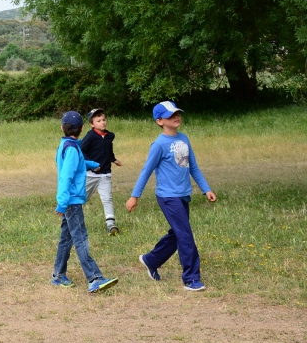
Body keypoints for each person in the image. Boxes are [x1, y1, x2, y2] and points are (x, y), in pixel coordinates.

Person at [126, 101, 217, 292]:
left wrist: (206, 189)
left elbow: (193, 166)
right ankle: (191, 278)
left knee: (177, 234)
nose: (176, 117)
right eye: (170, 116)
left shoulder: (184, 139)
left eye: (177, 113)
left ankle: (151, 260)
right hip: (168, 197)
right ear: (159, 121)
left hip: (183, 195)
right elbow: (146, 171)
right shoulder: (158, 145)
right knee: (185, 236)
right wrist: (135, 196)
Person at [51, 111, 118, 293]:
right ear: (82, 128)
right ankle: (94, 278)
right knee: (80, 239)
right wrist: (62, 203)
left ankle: (58, 275)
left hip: (70, 201)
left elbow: (73, 163)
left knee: (66, 239)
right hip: (71, 202)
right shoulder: (72, 149)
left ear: (62, 128)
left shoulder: (67, 144)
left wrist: (89, 164)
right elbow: (66, 176)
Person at [80, 108, 123, 235]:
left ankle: (111, 224)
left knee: (107, 198)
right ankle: (71, 218)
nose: (102, 122)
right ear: (92, 124)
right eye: (98, 121)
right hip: (91, 175)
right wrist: (91, 164)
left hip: (105, 174)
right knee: (82, 197)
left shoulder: (110, 136)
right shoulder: (90, 136)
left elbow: (108, 150)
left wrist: (113, 159)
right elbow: (81, 151)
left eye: (104, 119)